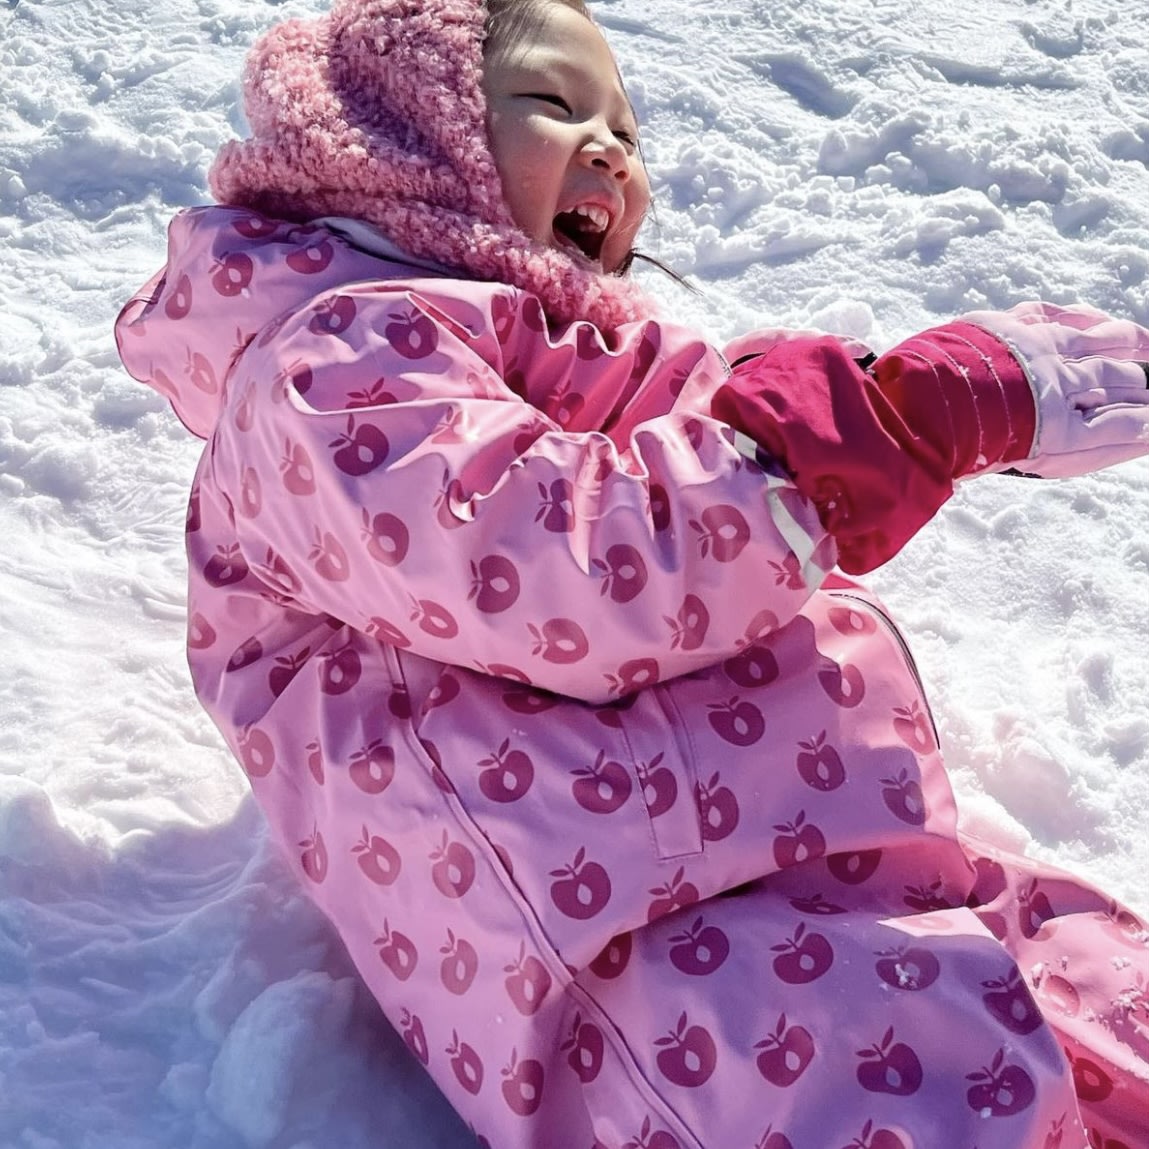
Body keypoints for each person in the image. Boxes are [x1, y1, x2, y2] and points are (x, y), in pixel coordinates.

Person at [115, 0, 1149, 1146]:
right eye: (556, 107)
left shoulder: (571, 360)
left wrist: (889, 393)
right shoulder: (332, 365)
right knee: (928, 1111)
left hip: (839, 865)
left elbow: (708, 440)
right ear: (402, 141)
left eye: (630, 129)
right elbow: (565, 564)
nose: (613, 147)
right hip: (640, 950)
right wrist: (877, 432)